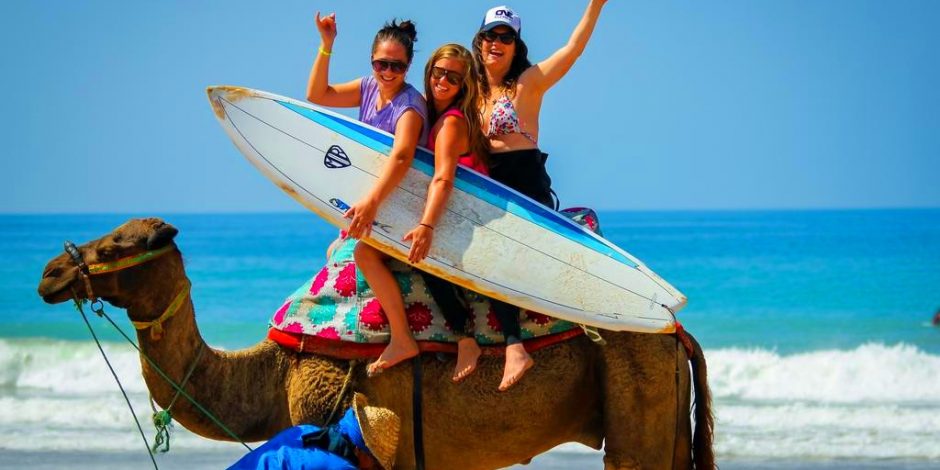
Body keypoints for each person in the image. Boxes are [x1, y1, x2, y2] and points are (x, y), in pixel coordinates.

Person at [472, 2, 608, 391]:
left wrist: (594, 7)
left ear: (516, 46)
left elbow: (573, 48)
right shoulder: (472, 89)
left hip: (527, 184)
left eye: (506, 37)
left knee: (514, 258)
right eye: (491, 36)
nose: (497, 43)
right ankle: (497, 342)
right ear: (479, 42)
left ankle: (531, 341)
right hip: (488, 186)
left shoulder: (528, 83)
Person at [306, 12, 427, 375]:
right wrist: (327, 46)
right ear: (372, 61)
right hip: (378, 200)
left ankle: (403, 338)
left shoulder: (410, 106)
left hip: (405, 202)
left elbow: (403, 156)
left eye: (396, 66)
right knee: (333, 250)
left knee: (364, 255)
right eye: (380, 64)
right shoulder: (367, 88)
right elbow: (317, 94)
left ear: (407, 67)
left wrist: (371, 203)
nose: (387, 73)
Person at [411, 44, 490, 383]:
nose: (443, 80)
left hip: (470, 212)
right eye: (438, 72)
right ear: (429, 72)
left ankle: (465, 338)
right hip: (455, 203)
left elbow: (443, 177)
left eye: (453, 77)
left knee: (424, 257)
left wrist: (426, 226)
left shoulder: (451, 123)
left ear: (464, 84)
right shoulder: (427, 114)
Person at [228, 394, 399, 470]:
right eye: (376, 464)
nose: (374, 469)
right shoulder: (341, 467)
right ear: (361, 449)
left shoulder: (306, 431)